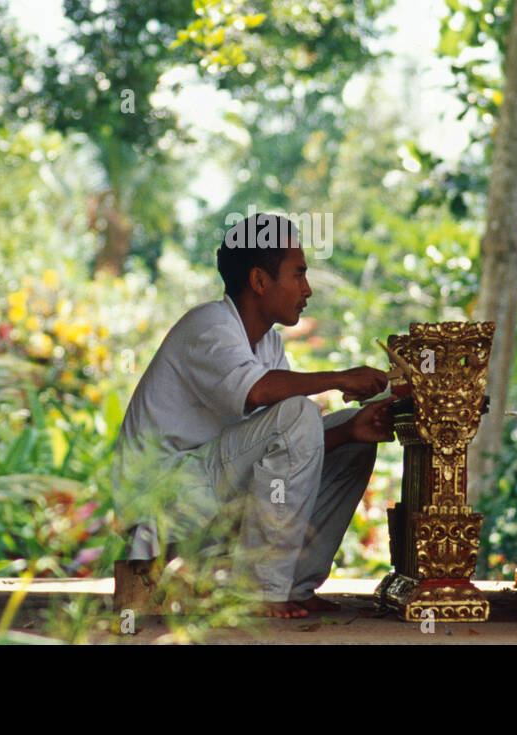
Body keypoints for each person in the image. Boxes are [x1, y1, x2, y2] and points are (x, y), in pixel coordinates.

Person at [112, 212, 396, 618]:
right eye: (298, 274)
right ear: (260, 281)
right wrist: (339, 378)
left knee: (353, 444)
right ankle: (260, 590)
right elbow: (258, 392)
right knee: (299, 412)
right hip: (165, 503)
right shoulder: (208, 324)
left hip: (209, 492)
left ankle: (295, 584)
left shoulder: (269, 345)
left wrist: (350, 429)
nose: (307, 289)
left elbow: (276, 444)